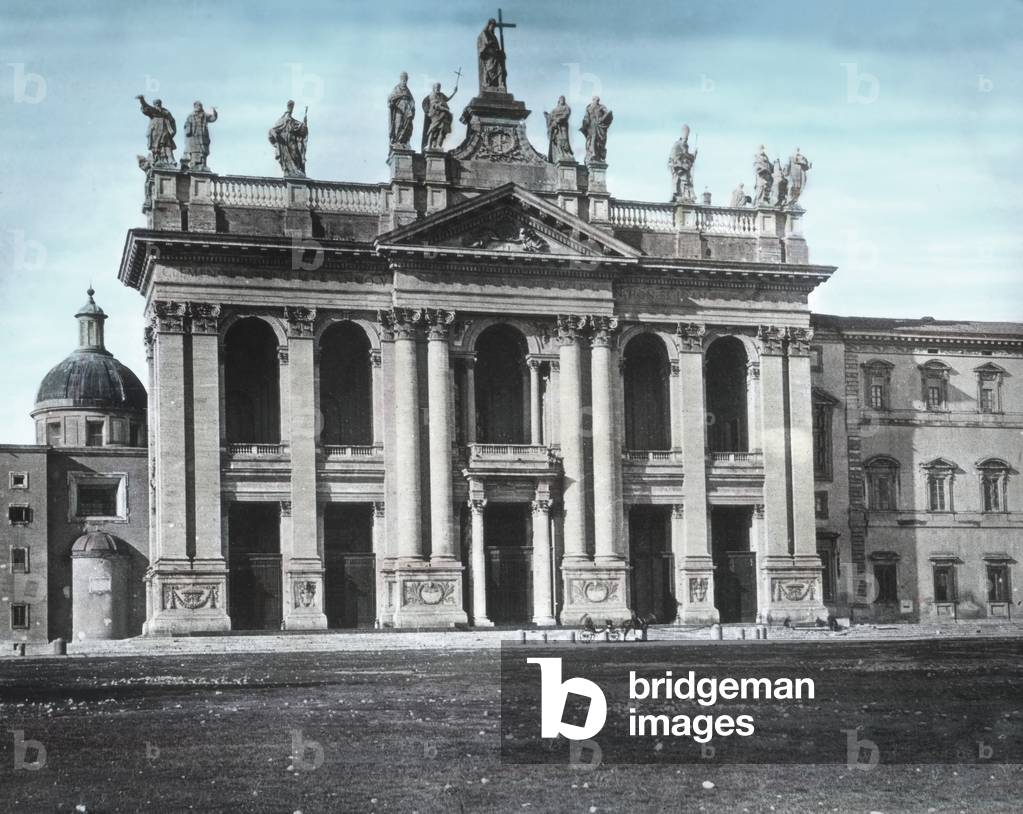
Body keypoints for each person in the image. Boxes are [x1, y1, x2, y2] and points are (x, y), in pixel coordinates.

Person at [268, 100, 308, 177]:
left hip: (292, 141)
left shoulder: (293, 121)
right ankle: (291, 172)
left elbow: (301, 130)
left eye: (292, 106)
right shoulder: (282, 120)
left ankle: (296, 171)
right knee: (290, 157)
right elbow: (272, 130)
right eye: (290, 106)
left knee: (296, 156)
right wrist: (276, 136)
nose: (291, 109)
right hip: (285, 143)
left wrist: (304, 124)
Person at [137, 95, 176, 166]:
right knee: (155, 146)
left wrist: (172, 130)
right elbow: (146, 107)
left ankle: (171, 159)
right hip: (155, 131)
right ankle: (157, 159)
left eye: (158, 103)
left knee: (167, 145)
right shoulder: (152, 112)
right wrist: (142, 101)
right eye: (156, 104)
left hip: (165, 131)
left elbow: (172, 120)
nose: (157, 105)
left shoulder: (166, 112)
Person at [421, 82, 458, 151]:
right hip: (436, 114)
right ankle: (429, 144)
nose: (438, 88)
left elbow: (447, 99)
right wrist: (444, 108)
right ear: (434, 88)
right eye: (436, 87)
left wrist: (454, 92)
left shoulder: (441, 95)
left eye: (439, 87)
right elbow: (435, 105)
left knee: (442, 131)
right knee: (433, 129)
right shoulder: (432, 95)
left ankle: (438, 145)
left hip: (444, 114)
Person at [182, 101, 218, 171]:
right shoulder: (190, 116)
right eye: (196, 106)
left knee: (203, 150)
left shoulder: (204, 115)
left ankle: (203, 164)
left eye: (198, 106)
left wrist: (215, 112)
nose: (197, 107)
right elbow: (187, 125)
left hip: (203, 135)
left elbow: (213, 118)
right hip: (194, 136)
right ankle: (194, 164)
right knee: (194, 150)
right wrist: (188, 129)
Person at [668, 125, 698, 202]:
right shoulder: (677, 145)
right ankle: (679, 195)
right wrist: (680, 164)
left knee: (687, 181)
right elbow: (673, 159)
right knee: (682, 180)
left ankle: (686, 196)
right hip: (678, 168)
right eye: (685, 138)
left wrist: (693, 155)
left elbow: (687, 156)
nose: (686, 140)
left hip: (684, 168)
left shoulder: (686, 146)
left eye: (687, 139)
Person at [477, 18, 507, 91]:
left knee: (500, 66)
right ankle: (487, 82)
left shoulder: (494, 36)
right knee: (489, 68)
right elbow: (486, 43)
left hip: (495, 55)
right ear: (489, 25)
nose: (493, 27)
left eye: (494, 26)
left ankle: (501, 84)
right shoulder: (484, 33)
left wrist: (500, 52)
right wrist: (490, 44)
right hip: (488, 55)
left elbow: (497, 46)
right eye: (492, 25)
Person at [580, 96, 613, 163]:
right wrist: (585, 123)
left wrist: (602, 118)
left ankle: (596, 153)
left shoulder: (601, 106)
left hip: (598, 124)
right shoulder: (589, 107)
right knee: (592, 138)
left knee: (598, 140)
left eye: (598, 100)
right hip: (591, 125)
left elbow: (607, 112)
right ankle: (593, 153)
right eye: (596, 100)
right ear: (593, 100)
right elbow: (586, 117)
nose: (597, 101)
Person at [387, 72, 415, 151]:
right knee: (398, 125)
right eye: (403, 79)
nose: (404, 81)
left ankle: (404, 141)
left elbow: (412, 100)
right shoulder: (396, 88)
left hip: (407, 109)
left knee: (407, 125)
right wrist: (400, 96)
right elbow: (390, 97)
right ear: (401, 79)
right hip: (399, 109)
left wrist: (412, 105)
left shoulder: (407, 90)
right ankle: (397, 141)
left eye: (406, 79)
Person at [544, 96, 573, 162]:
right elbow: (550, 117)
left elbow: (566, 115)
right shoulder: (555, 109)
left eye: (563, 99)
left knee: (564, 138)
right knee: (558, 140)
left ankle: (566, 153)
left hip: (563, 126)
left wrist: (558, 119)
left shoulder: (567, 107)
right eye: (561, 99)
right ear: (559, 100)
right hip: (556, 128)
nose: (562, 100)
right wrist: (547, 116)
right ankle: (560, 153)